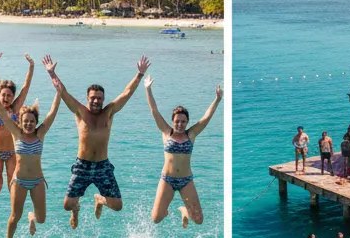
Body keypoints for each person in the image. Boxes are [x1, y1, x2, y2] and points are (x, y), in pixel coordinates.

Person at [49, 54, 150, 227]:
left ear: (103, 99)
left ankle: (100, 200)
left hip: (103, 165)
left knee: (117, 206)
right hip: (83, 165)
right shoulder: (80, 112)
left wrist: (139, 75)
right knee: (67, 205)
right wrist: (52, 74)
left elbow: (126, 93)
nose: (96, 101)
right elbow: (63, 92)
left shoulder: (109, 112)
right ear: (87, 98)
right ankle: (76, 210)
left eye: (99, 98)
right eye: (93, 97)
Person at [0, 63, 62, 238]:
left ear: (35, 122)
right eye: (25, 121)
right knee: (14, 217)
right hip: (19, 181)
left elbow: (53, 112)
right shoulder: (16, 134)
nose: (29, 124)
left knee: (41, 219)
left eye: (32, 121)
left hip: (37, 181)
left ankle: (32, 218)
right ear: (20, 122)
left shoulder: (41, 134)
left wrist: (58, 91)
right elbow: (3, 113)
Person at [144, 76, 222, 226]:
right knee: (156, 219)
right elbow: (154, 111)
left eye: (183, 121)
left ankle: (184, 210)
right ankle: (166, 209)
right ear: (172, 121)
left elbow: (206, 117)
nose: (180, 124)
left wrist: (217, 99)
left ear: (187, 122)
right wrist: (148, 89)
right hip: (167, 179)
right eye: (177, 121)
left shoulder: (191, 134)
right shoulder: (167, 132)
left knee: (198, 220)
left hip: (186, 180)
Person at [0, 52, 35, 194]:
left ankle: (17, 211)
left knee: (12, 188)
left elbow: (26, 87)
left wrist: (31, 66)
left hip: (12, 152)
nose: (6, 98)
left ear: (13, 97)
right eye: (3, 95)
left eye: (9, 95)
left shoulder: (15, 109)